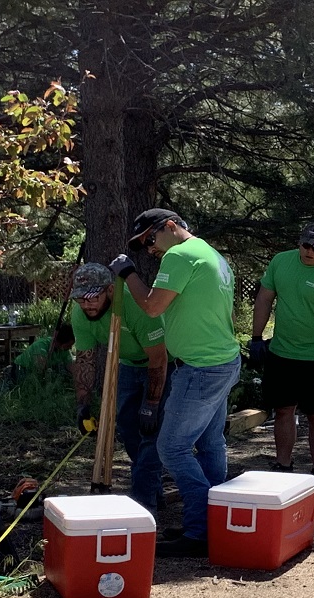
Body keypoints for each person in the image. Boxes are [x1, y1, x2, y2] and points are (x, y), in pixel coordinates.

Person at [111, 208, 240, 558]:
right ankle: (215, 525)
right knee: (211, 445)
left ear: (170, 226)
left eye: (150, 239)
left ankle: (199, 531)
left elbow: (152, 307)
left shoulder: (182, 255)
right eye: (142, 246)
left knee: (173, 448)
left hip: (200, 369)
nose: (150, 248)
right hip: (222, 361)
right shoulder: (209, 253)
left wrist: (128, 272)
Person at [250, 222, 314, 492]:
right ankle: (283, 464)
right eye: (305, 245)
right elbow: (264, 299)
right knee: (283, 410)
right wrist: (257, 338)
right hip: (281, 352)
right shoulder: (281, 262)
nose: (309, 252)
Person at [68, 262, 171, 514]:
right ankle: (153, 489)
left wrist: (152, 403)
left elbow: (159, 358)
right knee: (127, 427)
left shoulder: (134, 306)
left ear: (110, 290)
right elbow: (85, 359)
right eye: (80, 299)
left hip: (163, 364)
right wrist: (83, 404)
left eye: (92, 297)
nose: (87, 304)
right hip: (127, 363)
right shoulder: (80, 313)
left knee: (151, 432)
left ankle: (145, 501)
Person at [10, 325, 74, 380]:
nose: (70, 348)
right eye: (68, 345)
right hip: (21, 370)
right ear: (60, 342)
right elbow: (39, 370)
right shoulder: (41, 346)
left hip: (37, 373)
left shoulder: (64, 350)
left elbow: (71, 368)